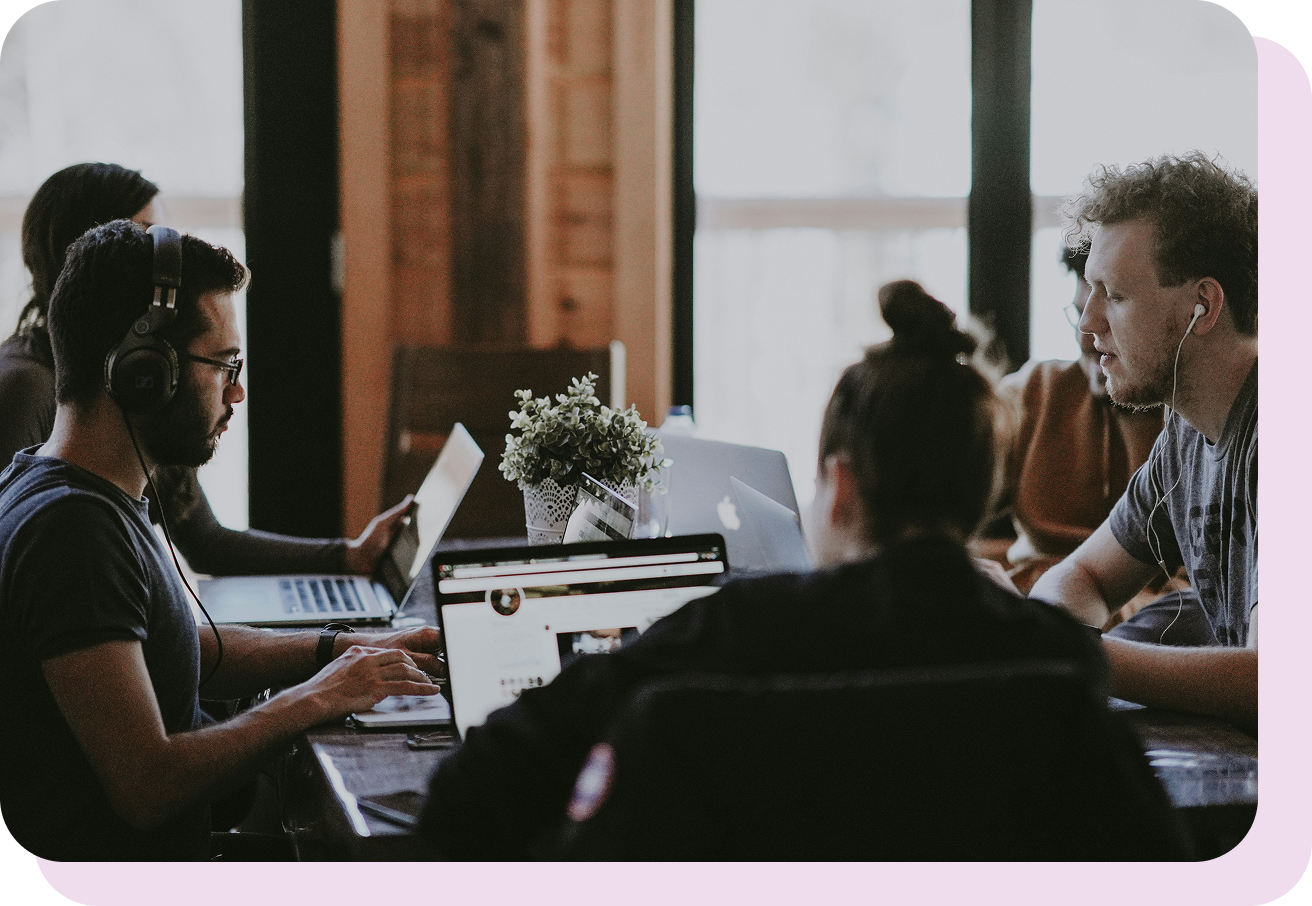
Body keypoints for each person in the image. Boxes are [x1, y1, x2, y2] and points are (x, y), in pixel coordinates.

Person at [418, 280, 1105, 859]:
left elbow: (470, 788)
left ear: (840, 488)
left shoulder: (729, 633)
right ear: (982, 490)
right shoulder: (1060, 663)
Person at [0, 220, 441, 860]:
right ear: (143, 372)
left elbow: (184, 647)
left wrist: (347, 648)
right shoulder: (73, 532)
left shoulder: (72, 487)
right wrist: (323, 695)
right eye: (224, 364)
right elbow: (148, 785)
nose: (236, 392)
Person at [0, 163, 408, 578]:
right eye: (145, 237)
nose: (167, 261)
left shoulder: (154, 380)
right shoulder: (27, 387)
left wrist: (350, 556)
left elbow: (208, 543)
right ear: (88, 251)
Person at [1029, 152, 1257, 729]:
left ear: (1202, 306)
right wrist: (1053, 637)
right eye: (1089, 293)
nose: (1088, 325)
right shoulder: (1185, 432)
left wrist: (1072, 654)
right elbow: (1083, 576)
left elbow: (1276, 684)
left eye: (1116, 295)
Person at [990, 245, 1213, 645]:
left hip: (1152, 622)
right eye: (1078, 314)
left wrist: (1070, 643)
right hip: (1049, 603)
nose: (1087, 336)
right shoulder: (1032, 393)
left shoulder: (1193, 426)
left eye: (1114, 312)